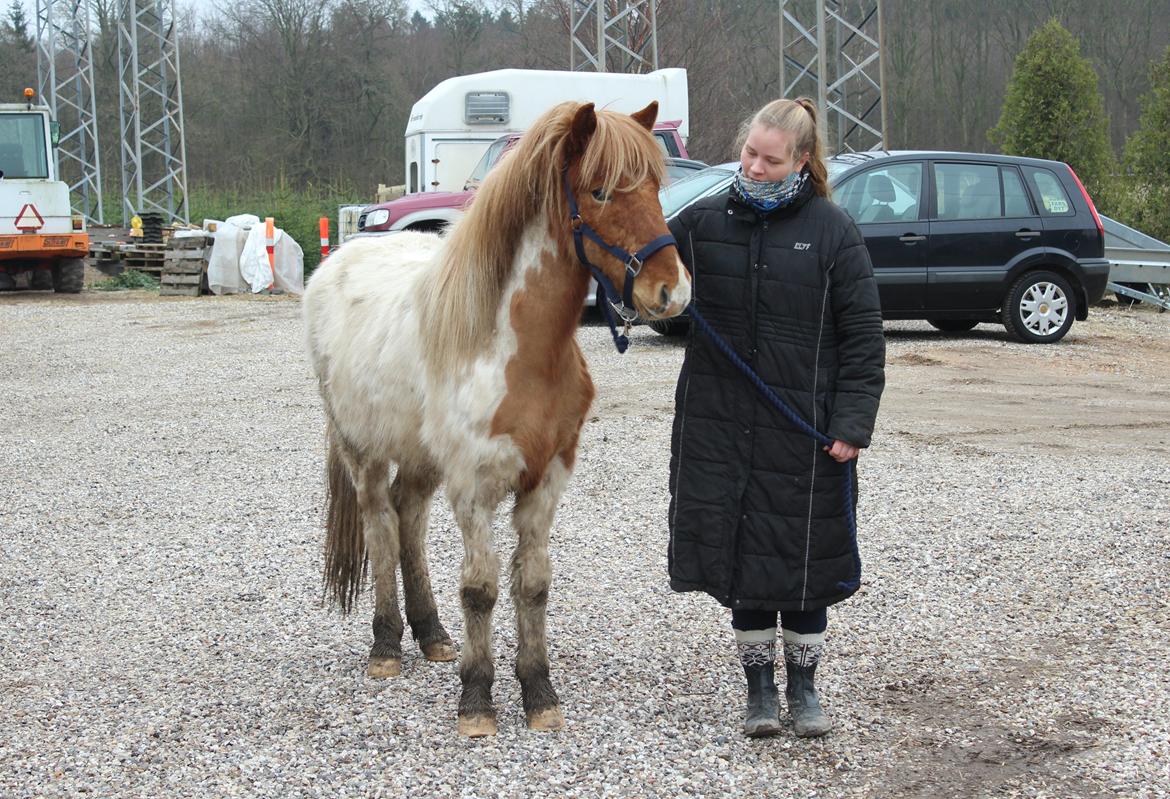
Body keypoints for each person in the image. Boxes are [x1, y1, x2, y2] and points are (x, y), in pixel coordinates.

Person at [666, 97, 885, 738]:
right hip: (720, 426)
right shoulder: (702, 223)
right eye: (749, 154)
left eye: (770, 159)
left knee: (804, 561)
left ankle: (806, 690)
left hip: (804, 428)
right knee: (743, 563)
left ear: (802, 160)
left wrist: (852, 422)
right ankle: (759, 692)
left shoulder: (832, 230)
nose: (755, 168)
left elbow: (864, 338)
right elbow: (645, 274)